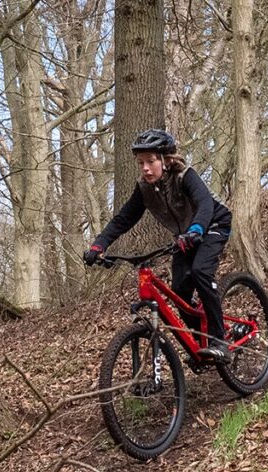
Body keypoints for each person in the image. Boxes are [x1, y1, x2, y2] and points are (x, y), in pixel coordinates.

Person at [83, 129, 235, 363]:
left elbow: (204, 203)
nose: (145, 168)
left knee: (201, 271)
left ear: (165, 160)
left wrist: (196, 231)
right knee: (180, 292)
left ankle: (219, 342)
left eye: (151, 161)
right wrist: (99, 245)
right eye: (141, 162)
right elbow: (124, 219)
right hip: (186, 234)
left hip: (213, 223)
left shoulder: (185, 175)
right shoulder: (144, 188)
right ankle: (203, 341)